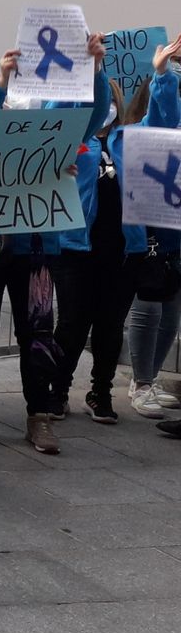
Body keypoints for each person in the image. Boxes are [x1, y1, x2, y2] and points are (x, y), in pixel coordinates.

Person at [0, 38, 107, 455]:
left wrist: (94, 71)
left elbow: (91, 118)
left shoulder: (54, 117)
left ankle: (39, 414)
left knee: (36, 333)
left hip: (37, 249)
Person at [52, 73, 144, 425]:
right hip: (77, 248)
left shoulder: (130, 139)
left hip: (123, 250)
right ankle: (57, 390)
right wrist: (94, 72)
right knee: (72, 323)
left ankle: (100, 392)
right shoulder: (78, 141)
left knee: (110, 325)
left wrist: (164, 76)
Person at [132, 38, 181, 422]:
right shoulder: (155, 122)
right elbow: (162, 117)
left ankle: (151, 380)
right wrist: (163, 73)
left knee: (172, 311)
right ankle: (141, 381)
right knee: (148, 306)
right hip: (155, 225)